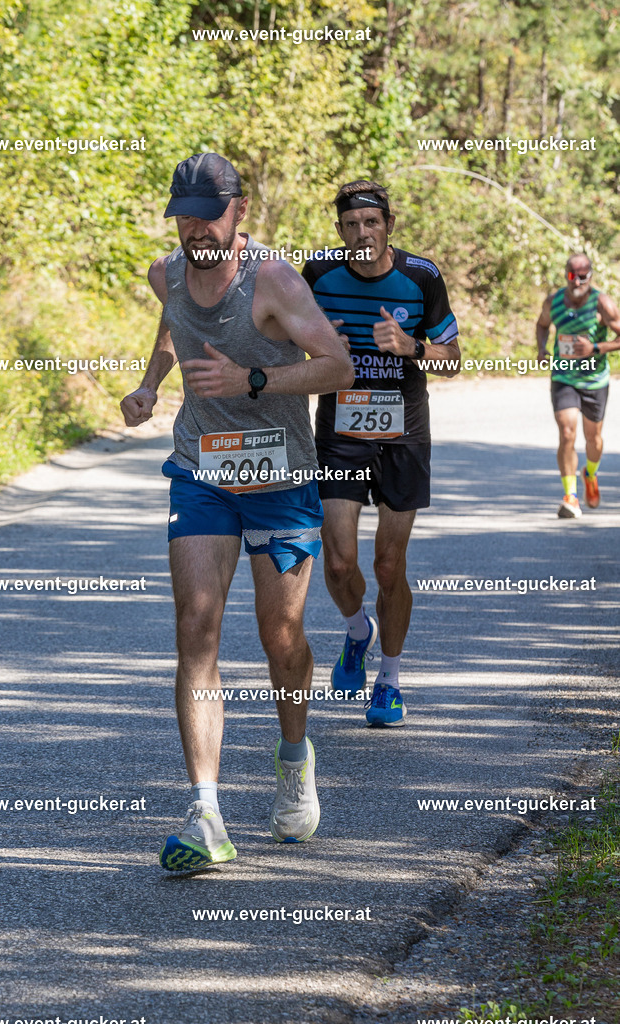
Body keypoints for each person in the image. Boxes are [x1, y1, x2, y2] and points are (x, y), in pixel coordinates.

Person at [120, 153, 353, 871]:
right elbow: (171, 325)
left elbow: (338, 366)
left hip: (279, 475)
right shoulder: (165, 272)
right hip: (202, 470)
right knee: (196, 627)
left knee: (281, 635)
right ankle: (205, 812)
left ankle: (294, 757)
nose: (195, 230)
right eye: (183, 218)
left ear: (239, 211)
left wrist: (252, 377)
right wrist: (150, 384)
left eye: (208, 216)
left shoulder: (274, 281)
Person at [302, 180, 460, 727]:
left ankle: (389, 681)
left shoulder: (422, 276)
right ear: (339, 230)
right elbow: (283, 343)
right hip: (342, 430)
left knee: (389, 565)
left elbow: (452, 359)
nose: (362, 233)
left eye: (372, 223)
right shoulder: (318, 274)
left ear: (389, 225)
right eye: (351, 225)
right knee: (339, 561)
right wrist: (320, 349)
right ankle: (357, 631)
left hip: (404, 432)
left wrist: (412, 347)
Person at [536, 253, 620, 518]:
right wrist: (541, 348)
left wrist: (595, 348)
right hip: (563, 377)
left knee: (593, 439)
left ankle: (590, 474)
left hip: (595, 380)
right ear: (566, 275)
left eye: (583, 276)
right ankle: (570, 496)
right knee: (567, 432)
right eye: (572, 275)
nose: (577, 281)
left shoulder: (602, 304)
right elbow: (542, 325)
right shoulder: (553, 301)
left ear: (590, 276)